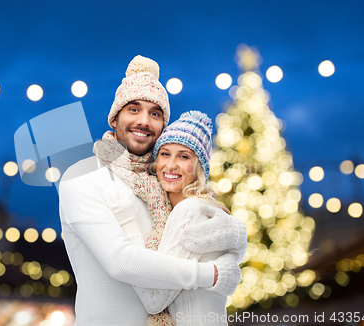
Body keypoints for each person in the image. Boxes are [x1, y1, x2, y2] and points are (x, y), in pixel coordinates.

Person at [58, 55, 242, 326]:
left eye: (155, 113)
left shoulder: (165, 184)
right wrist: (212, 275)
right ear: (114, 118)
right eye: (133, 109)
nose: (144, 121)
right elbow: (119, 261)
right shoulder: (82, 176)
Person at [101, 111, 247, 325]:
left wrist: (128, 224)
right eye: (165, 154)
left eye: (184, 156)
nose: (170, 165)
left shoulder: (189, 210)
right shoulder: (201, 209)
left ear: (198, 167)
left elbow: (153, 301)